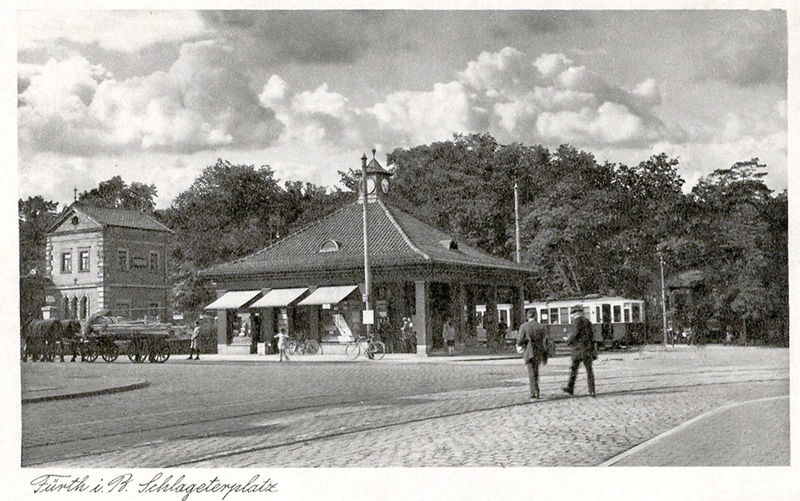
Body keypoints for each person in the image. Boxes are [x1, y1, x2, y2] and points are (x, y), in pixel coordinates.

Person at [562, 305, 596, 397]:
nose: (572, 315)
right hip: (587, 349)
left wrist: (568, 341)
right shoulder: (588, 322)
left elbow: (575, 333)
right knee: (589, 370)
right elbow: (592, 335)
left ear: (576, 313)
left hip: (578, 350)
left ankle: (570, 388)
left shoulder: (577, 322)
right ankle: (592, 390)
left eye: (573, 313)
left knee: (574, 369)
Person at [516, 309, 549, 400]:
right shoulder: (541, 327)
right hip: (538, 352)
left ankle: (534, 392)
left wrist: (521, 345)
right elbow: (545, 341)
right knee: (536, 372)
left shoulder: (524, 326)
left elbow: (519, 340)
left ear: (527, 317)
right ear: (536, 316)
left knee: (531, 373)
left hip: (528, 352)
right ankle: (536, 390)